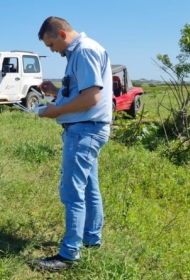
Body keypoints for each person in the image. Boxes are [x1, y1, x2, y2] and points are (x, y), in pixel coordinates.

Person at [34, 16, 112, 271]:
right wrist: (57, 92)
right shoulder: (82, 51)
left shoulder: (85, 50)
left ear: (62, 35)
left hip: (84, 131)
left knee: (72, 191)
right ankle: (91, 239)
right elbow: (82, 91)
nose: (52, 50)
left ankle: (69, 255)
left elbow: (91, 97)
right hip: (87, 129)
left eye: (51, 44)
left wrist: (56, 111)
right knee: (89, 187)